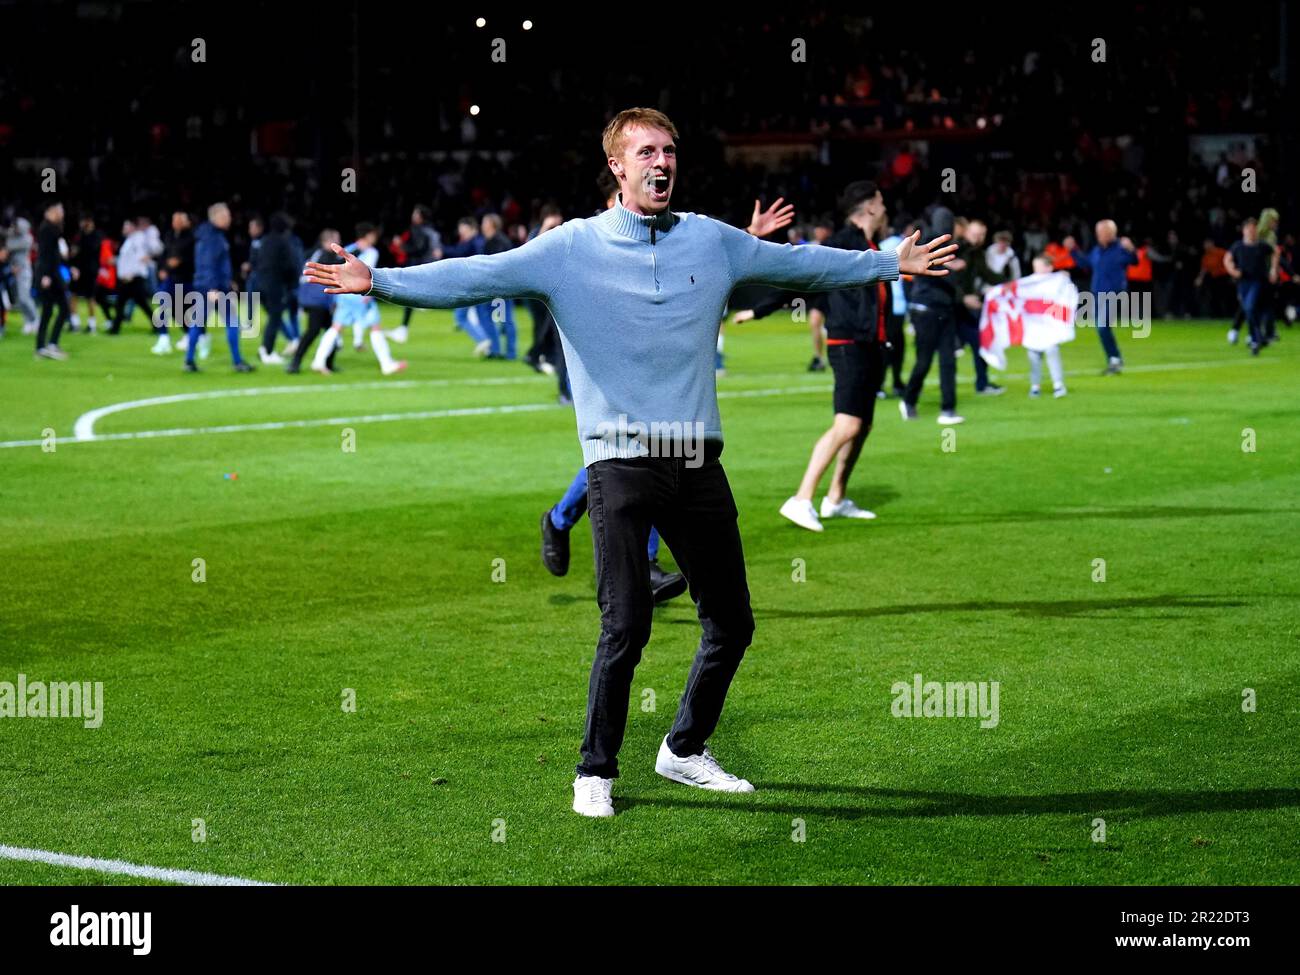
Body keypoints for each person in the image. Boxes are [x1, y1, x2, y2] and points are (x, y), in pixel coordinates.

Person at [306, 106, 954, 818]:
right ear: (616, 165)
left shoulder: (713, 240)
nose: (662, 162)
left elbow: (804, 264)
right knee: (628, 624)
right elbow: (478, 274)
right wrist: (382, 281)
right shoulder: (570, 248)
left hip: (697, 460)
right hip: (618, 462)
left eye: (670, 150)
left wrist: (889, 261)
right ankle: (594, 770)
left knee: (732, 621)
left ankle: (682, 749)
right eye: (646, 150)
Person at [777, 180, 892, 533]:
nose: (886, 208)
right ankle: (801, 499)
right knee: (848, 425)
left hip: (872, 345)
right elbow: (803, 273)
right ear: (870, 206)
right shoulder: (842, 243)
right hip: (848, 344)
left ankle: (836, 498)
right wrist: (763, 309)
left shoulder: (872, 245)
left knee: (863, 426)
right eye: (881, 201)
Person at [310, 223, 405, 376]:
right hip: (360, 295)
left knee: (336, 327)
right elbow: (368, 274)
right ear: (368, 235)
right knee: (374, 327)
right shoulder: (370, 252)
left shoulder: (349, 248)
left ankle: (319, 360)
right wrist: (370, 293)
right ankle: (386, 364)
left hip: (345, 293)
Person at [900, 203, 964, 425]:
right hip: (927, 310)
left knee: (946, 360)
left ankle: (948, 409)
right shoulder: (932, 244)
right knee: (927, 361)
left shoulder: (942, 243)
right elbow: (941, 275)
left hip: (938, 309)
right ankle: (910, 400)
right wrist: (958, 281)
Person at [185, 202, 254, 373]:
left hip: (208, 286)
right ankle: (237, 361)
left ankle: (189, 360)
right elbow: (208, 263)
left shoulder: (209, 234)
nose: (229, 218)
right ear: (218, 217)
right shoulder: (213, 237)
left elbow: (213, 263)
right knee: (231, 323)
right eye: (227, 215)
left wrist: (227, 280)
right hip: (213, 289)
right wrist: (213, 288)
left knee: (199, 322)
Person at [1066, 219, 1137, 374]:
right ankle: (1114, 359)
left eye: (1104, 232)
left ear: (1112, 233)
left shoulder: (1120, 248)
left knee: (1102, 326)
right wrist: (1073, 250)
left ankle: (1115, 358)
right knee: (1101, 327)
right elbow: (1084, 263)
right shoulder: (1097, 250)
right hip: (1097, 294)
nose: (1101, 235)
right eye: (1099, 232)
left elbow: (1134, 261)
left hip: (1114, 293)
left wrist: (1131, 249)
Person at [287, 229, 342, 374]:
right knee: (314, 330)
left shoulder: (316, 253)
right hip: (316, 298)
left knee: (330, 330)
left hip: (316, 298)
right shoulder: (324, 255)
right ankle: (295, 362)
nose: (339, 245)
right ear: (326, 242)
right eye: (336, 241)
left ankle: (328, 363)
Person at [385, 204, 441, 344]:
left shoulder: (418, 230)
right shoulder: (432, 231)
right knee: (408, 298)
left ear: (420, 217)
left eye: (415, 214)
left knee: (407, 296)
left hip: (417, 266)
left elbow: (418, 249)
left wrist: (400, 246)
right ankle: (403, 328)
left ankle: (404, 328)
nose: (413, 216)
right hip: (430, 267)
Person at [1223, 217, 1278, 355]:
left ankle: (1255, 338)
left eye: (1254, 230)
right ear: (1244, 231)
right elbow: (1227, 259)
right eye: (1249, 229)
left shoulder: (1261, 245)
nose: (1251, 232)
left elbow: (1275, 252)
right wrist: (1233, 271)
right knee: (1248, 310)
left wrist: (1273, 269)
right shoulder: (1238, 246)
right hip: (1243, 283)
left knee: (1250, 307)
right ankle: (1256, 338)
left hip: (1258, 282)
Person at [253, 212, 302, 365]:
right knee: (275, 317)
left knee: (274, 318)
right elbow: (290, 265)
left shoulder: (265, 240)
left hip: (260, 283)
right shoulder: (283, 242)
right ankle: (267, 351)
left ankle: (267, 349)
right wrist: (293, 283)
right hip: (276, 285)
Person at [109, 215, 164, 347]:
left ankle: (115, 329)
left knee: (131, 304)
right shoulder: (130, 240)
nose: (124, 228)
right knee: (135, 304)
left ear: (132, 227)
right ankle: (115, 328)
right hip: (128, 278)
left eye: (126, 226)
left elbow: (140, 258)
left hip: (133, 278)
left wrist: (131, 274)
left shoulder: (137, 239)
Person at [34, 202, 73, 360]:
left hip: (53, 274)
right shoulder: (47, 229)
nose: (62, 213)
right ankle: (45, 346)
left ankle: (46, 346)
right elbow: (44, 255)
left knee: (57, 309)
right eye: (60, 210)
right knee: (54, 310)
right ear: (51, 211)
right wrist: (45, 276)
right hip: (49, 276)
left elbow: (54, 253)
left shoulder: (52, 228)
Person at [1025, 254, 1068, 398]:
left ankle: (1058, 385)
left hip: (1050, 325)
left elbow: (1067, 296)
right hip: (1034, 325)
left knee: (1051, 351)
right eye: (1035, 267)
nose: (1036, 270)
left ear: (1049, 267)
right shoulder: (1029, 283)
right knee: (1033, 355)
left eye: (1039, 267)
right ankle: (1035, 386)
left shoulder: (1057, 282)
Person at [70, 213, 109, 333]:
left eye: (86, 221)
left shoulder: (97, 236)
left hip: (91, 270)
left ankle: (91, 324)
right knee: (73, 295)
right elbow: (74, 253)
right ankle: (74, 322)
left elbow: (93, 249)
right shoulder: (79, 235)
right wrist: (73, 265)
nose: (84, 224)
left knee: (91, 297)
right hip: (78, 270)